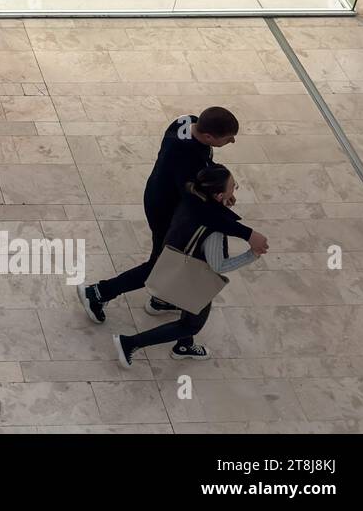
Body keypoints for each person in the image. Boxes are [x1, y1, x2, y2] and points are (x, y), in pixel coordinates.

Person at [79, 106, 267, 326]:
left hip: (163, 196)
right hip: (166, 211)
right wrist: (247, 234)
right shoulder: (185, 156)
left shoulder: (187, 122)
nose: (232, 142)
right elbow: (199, 210)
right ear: (208, 136)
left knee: (166, 261)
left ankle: (162, 300)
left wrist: (221, 190)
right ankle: (99, 292)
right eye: (228, 139)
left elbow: (203, 170)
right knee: (162, 264)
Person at [115, 164, 266, 364]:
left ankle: (184, 345)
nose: (235, 190)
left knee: (187, 311)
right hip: (193, 278)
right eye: (233, 186)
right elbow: (218, 266)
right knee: (191, 325)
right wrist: (253, 254)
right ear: (219, 196)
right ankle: (130, 343)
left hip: (174, 261)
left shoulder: (191, 198)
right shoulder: (214, 230)